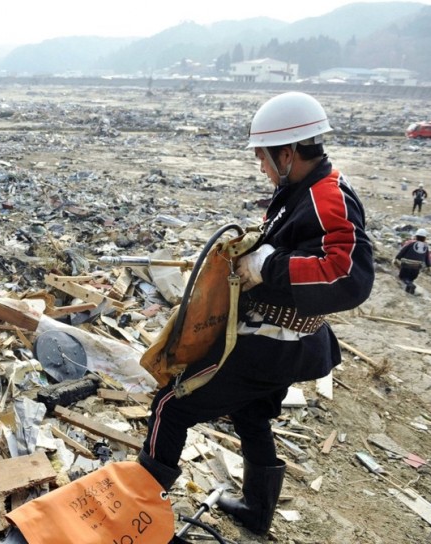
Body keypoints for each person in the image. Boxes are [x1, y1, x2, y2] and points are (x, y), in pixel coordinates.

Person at [138, 92, 374, 536]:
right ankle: (257, 510)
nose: (261, 167)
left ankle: (140, 511)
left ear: (287, 153)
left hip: (273, 343)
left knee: (171, 405)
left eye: (263, 158)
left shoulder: (328, 197)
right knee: (250, 413)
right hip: (285, 343)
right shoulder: (298, 191)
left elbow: (349, 277)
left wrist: (268, 266)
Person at [394, 228, 431, 294]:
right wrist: (428, 266)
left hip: (406, 266)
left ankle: (409, 286)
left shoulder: (410, 243)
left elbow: (402, 251)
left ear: (416, 236)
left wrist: (397, 258)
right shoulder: (426, 246)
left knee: (403, 278)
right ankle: (409, 291)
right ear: (425, 238)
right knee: (411, 279)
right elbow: (427, 259)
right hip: (416, 268)